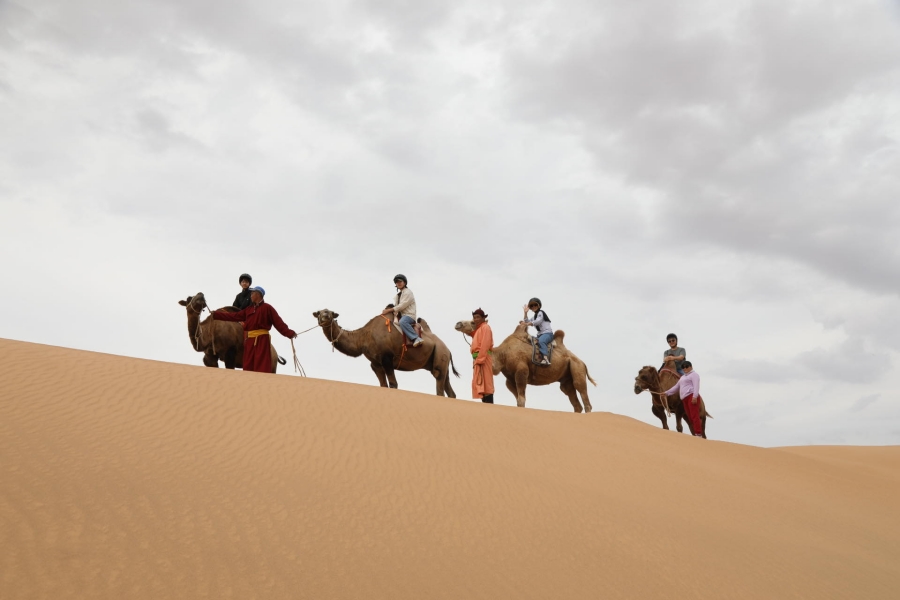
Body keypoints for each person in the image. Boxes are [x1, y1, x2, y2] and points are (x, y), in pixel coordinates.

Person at [213, 286, 297, 373]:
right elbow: (234, 316)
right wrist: (216, 315)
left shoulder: (268, 308)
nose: (251, 295)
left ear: (258, 294)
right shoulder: (248, 310)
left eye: (252, 293)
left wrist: (289, 333)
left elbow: (279, 323)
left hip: (262, 340)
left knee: (262, 364)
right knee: (248, 365)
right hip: (249, 341)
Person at [661, 360, 703, 437]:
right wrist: (666, 393)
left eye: (686, 366)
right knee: (689, 416)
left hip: (691, 396)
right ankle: (696, 433)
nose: (685, 368)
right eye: (683, 367)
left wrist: (695, 396)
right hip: (684, 399)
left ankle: (698, 433)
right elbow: (676, 387)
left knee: (694, 415)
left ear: (691, 367)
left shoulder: (694, 375)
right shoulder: (683, 377)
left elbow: (696, 386)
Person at [381, 274, 423, 347]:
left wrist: (388, 310)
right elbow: (397, 307)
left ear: (405, 283)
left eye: (400, 281)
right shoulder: (399, 295)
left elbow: (401, 306)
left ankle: (416, 338)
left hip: (409, 316)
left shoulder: (408, 292)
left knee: (402, 322)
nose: (398, 283)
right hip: (401, 315)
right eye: (397, 282)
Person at [469, 308, 494, 404]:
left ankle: (489, 408)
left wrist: (480, 359)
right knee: (480, 383)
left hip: (483, 358)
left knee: (486, 383)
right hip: (477, 359)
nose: (476, 319)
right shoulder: (478, 330)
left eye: (478, 317)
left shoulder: (486, 328)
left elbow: (485, 344)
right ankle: (485, 407)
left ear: (483, 318)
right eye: (474, 317)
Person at [520, 297, 553, 365]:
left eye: (535, 305)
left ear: (539, 305)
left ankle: (545, 358)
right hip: (540, 334)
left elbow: (538, 321)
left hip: (547, 333)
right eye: (531, 306)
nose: (533, 307)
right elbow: (527, 321)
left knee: (541, 341)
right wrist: (525, 313)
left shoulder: (541, 313)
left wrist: (526, 324)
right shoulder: (535, 316)